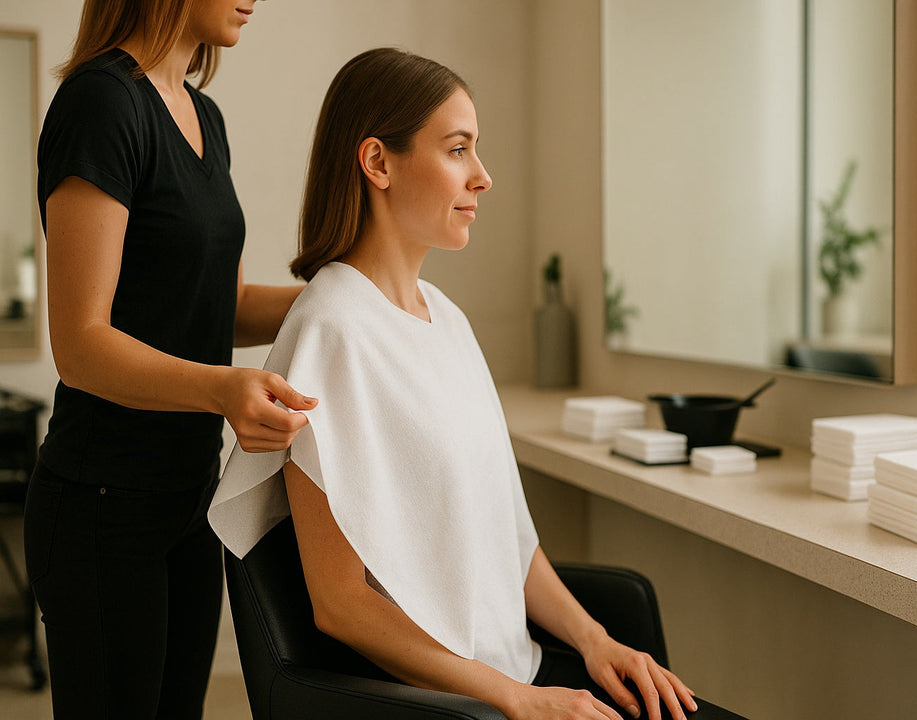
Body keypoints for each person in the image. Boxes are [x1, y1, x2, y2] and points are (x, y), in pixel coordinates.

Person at [210, 48, 737, 720]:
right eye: (457, 150)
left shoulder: (446, 319)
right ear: (378, 163)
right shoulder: (332, 332)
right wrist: (521, 701)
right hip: (457, 705)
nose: (484, 178)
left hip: (522, 670)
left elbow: (508, 542)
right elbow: (340, 606)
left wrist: (598, 642)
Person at [24, 1, 317, 717]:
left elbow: (227, 302)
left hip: (188, 499)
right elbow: (81, 345)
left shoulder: (203, 116)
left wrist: (348, 297)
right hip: (103, 505)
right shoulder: (101, 103)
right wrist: (224, 390)